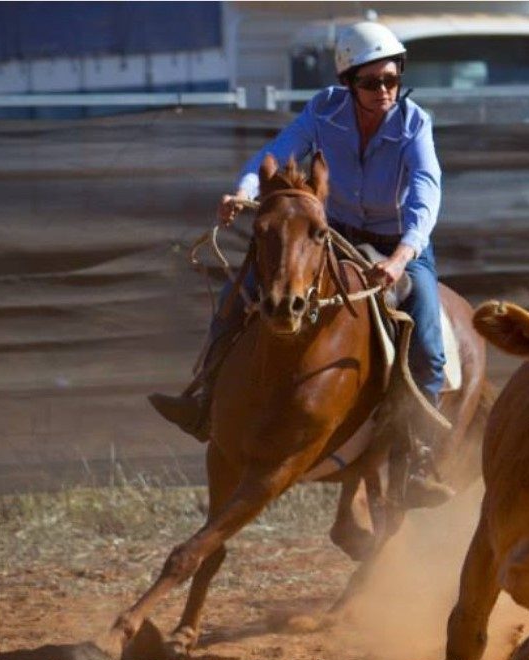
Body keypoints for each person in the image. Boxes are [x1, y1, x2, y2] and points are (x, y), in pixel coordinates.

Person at [148, 20, 453, 506]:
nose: (384, 91)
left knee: (431, 342)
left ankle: (417, 457)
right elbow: (273, 153)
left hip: (401, 243)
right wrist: (243, 193)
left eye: (391, 80)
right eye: (372, 82)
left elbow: (426, 194)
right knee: (240, 292)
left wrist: (400, 258)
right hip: (333, 235)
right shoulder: (324, 111)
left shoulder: (415, 123)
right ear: (348, 82)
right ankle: (204, 399)